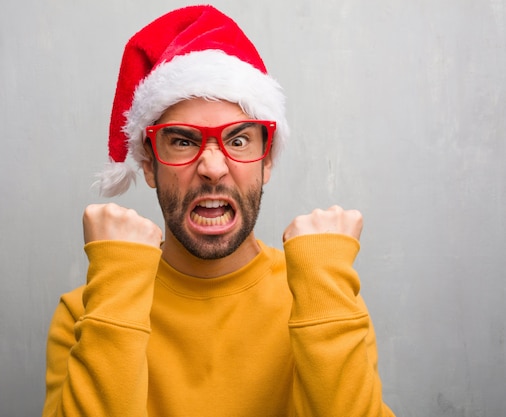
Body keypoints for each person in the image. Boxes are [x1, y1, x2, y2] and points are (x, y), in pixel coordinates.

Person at [42, 5, 395, 417]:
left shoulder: (324, 296)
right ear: (148, 165)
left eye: (240, 141)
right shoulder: (91, 309)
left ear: (267, 162)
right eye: (183, 141)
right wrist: (118, 285)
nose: (212, 168)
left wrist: (325, 288)